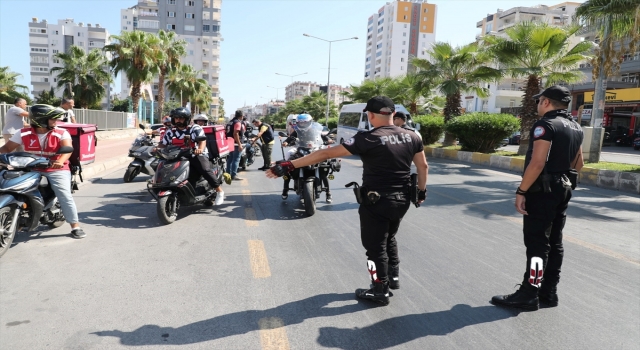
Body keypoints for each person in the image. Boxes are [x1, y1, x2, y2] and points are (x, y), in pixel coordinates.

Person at [267, 96, 428, 306]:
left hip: (376, 201)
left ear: (370, 115)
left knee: (374, 246)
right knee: (390, 237)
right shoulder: (412, 136)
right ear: (392, 114)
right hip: (403, 199)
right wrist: (421, 192)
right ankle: (392, 279)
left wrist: (289, 165)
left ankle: (379, 289)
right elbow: (423, 167)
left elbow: (324, 153)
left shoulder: (368, 138)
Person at [491, 85, 584, 311]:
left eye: (538, 100)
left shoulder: (545, 125)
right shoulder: (576, 127)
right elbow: (579, 164)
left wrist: (522, 191)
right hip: (564, 187)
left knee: (537, 243)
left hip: (542, 190)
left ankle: (529, 293)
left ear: (546, 102)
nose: (537, 104)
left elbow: (537, 163)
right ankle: (549, 293)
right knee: (555, 242)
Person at [0, 104, 86, 238]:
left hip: (56, 168)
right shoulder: (23, 133)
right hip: (31, 167)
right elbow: (5, 149)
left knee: (64, 194)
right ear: (41, 120)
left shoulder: (61, 132)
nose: (55, 121)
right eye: (52, 119)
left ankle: (75, 226)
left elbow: (68, 149)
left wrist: (60, 161)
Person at [156, 108, 225, 206]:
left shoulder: (195, 128)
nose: (178, 120)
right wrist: (156, 148)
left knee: (204, 169)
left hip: (195, 154)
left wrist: (200, 149)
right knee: (164, 167)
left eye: (181, 118)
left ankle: (219, 191)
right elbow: (163, 143)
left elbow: (202, 140)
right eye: (176, 118)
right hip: (177, 155)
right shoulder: (171, 131)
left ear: (187, 119)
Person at [280, 113, 335, 203]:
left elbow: (323, 136)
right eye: (300, 123)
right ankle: (285, 189)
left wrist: (329, 140)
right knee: (288, 158)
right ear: (297, 123)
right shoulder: (297, 130)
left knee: (324, 167)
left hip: (314, 149)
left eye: (304, 123)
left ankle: (328, 192)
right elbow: (291, 137)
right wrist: (286, 142)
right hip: (300, 148)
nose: (302, 124)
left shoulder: (315, 129)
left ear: (309, 122)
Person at [225, 110, 245, 181]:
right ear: (241, 116)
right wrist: (239, 144)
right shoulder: (237, 122)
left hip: (230, 142)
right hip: (236, 143)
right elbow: (235, 133)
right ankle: (234, 175)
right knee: (236, 159)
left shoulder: (230, 122)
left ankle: (227, 173)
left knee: (230, 159)